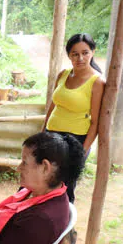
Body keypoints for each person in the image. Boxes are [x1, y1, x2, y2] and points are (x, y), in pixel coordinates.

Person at [43, 33, 105, 203]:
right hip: (51, 135)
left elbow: (95, 122)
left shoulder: (97, 82)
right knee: (42, 181)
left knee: (65, 187)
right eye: (75, 54)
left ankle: (66, 226)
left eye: (85, 52)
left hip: (75, 141)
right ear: (69, 55)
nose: (80, 58)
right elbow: (53, 105)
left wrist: (82, 151)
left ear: (93, 52)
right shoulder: (63, 74)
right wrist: (43, 132)